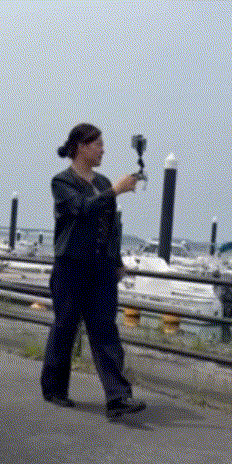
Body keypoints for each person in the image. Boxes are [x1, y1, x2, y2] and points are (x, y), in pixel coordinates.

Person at [41, 123, 146, 419]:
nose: (103, 150)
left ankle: (118, 397)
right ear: (81, 147)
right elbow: (80, 208)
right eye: (98, 144)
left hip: (101, 268)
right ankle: (54, 389)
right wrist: (115, 191)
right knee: (65, 327)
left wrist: (117, 262)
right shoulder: (62, 182)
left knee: (105, 331)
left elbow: (111, 228)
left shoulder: (102, 182)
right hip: (71, 266)